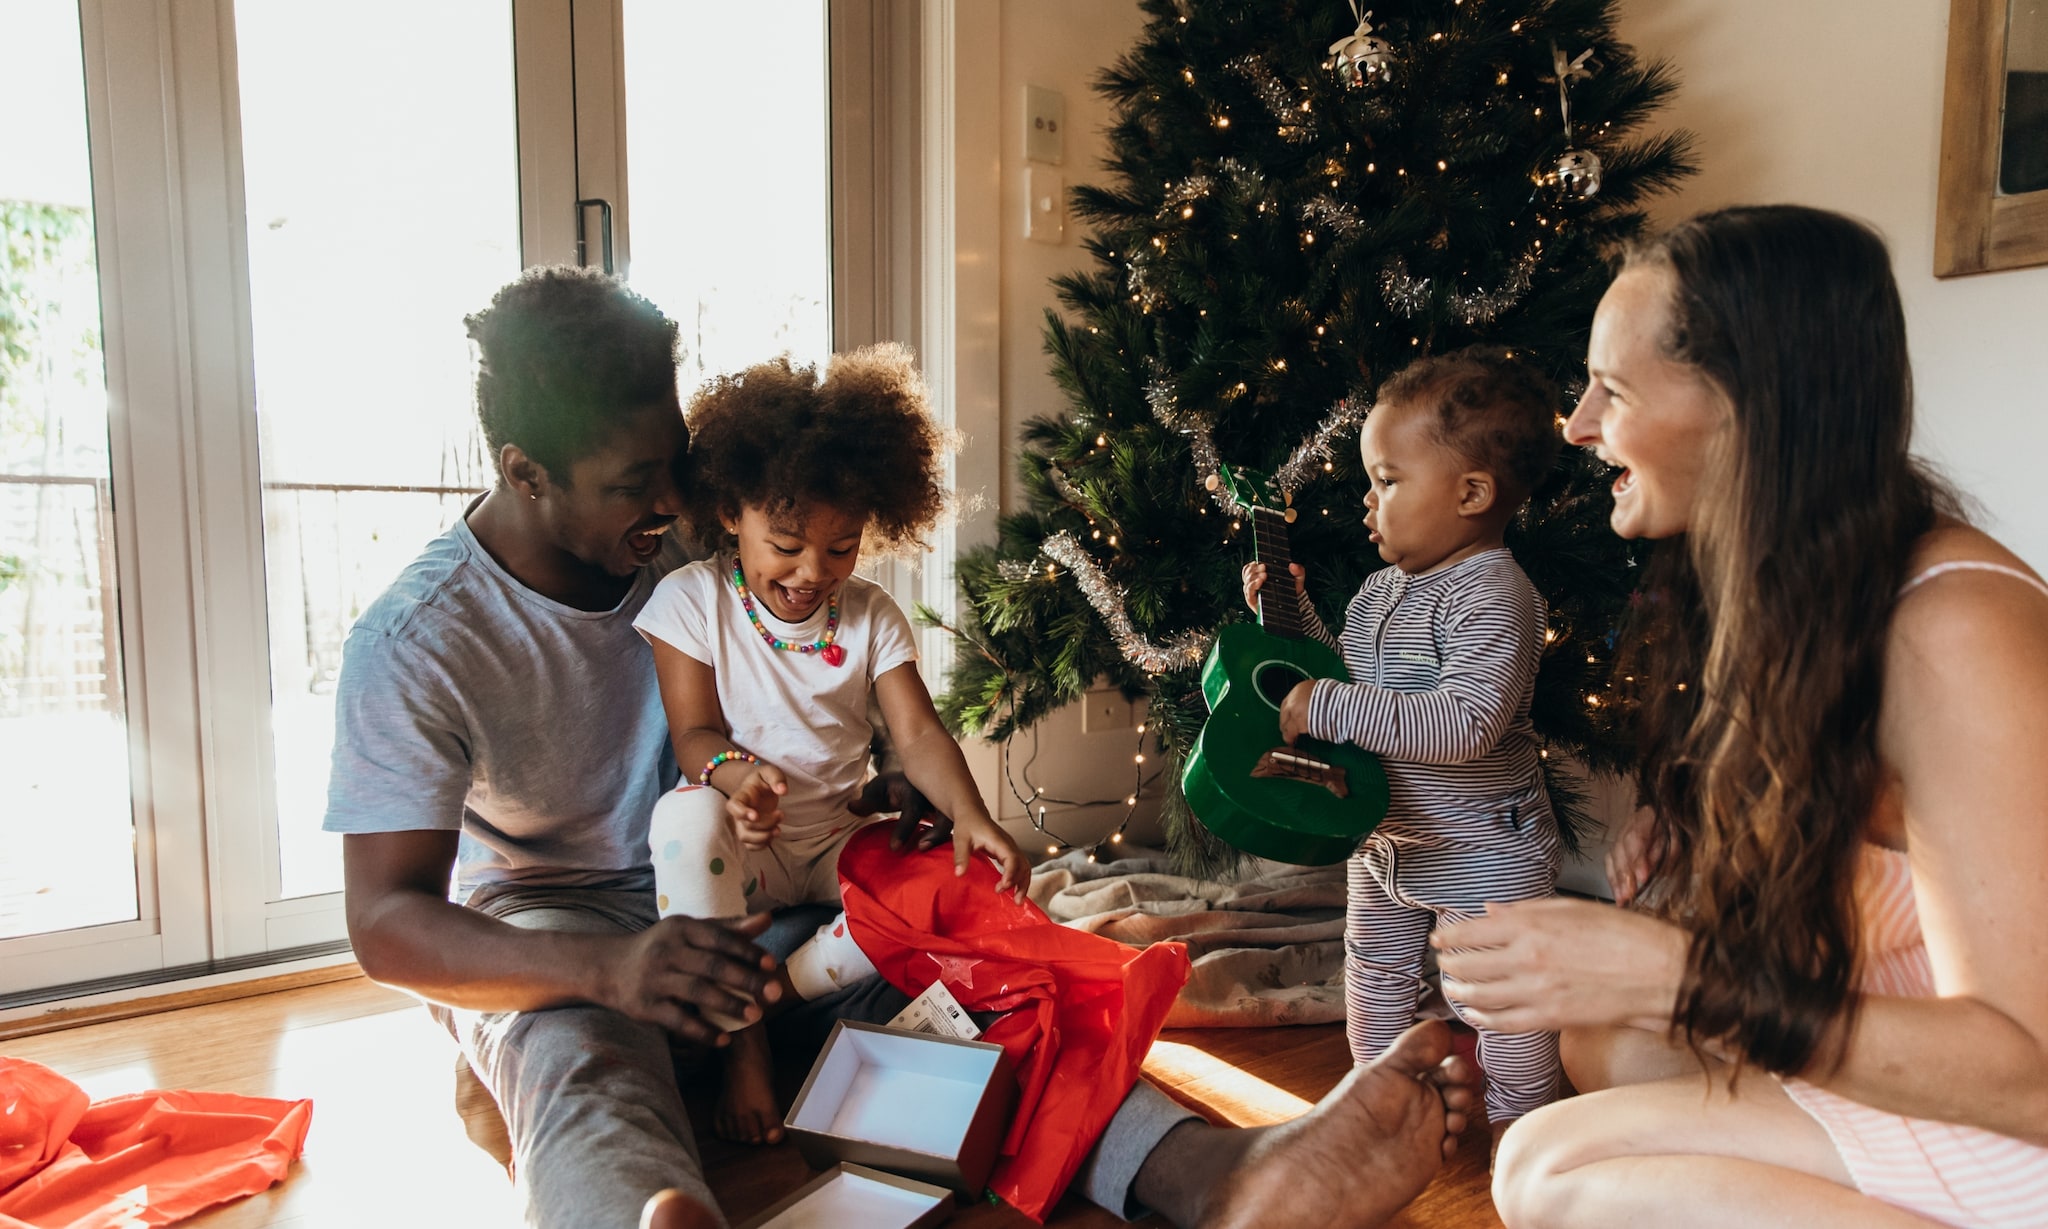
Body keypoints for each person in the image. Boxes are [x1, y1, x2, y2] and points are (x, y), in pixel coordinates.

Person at [328, 264, 1481, 1229]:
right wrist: (612, 970)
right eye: (635, 483)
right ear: (523, 472)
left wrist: (875, 784)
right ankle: (641, 1209)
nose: (672, 499)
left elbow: (821, 699)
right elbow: (385, 923)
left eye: (673, 463)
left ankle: (1222, 1175)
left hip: (778, 900)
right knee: (581, 1065)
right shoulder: (421, 640)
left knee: (977, 986)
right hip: (568, 935)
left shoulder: (714, 534)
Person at [1429, 205, 2048, 1228]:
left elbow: (2030, 1072)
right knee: (1603, 1040)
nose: (1577, 424)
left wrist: (1675, 974)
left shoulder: (1954, 630)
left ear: (1746, 408)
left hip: (2017, 1108)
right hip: (1946, 1050)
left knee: (1547, 1166)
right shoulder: (1805, 588)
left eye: (1614, 389)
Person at [634, 346, 1028, 1145]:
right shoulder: (691, 599)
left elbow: (917, 732)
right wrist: (737, 777)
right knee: (682, 820)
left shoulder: (872, 614)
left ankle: (774, 991)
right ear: (731, 512)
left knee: (950, 885)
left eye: (841, 547)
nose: (813, 571)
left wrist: (972, 815)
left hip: (837, 845)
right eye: (786, 544)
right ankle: (746, 1045)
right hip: (745, 847)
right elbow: (693, 734)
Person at [1243, 347, 1564, 1149]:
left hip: (1482, 847)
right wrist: (1296, 619)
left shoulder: (1496, 593)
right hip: (1386, 834)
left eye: (1387, 480)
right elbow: (1352, 686)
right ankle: (1375, 1105)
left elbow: (1464, 722)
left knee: (1502, 1000)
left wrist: (1331, 704)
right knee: (1373, 974)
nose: (1368, 499)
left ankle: (1524, 1133)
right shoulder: (1380, 590)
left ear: (1470, 493)